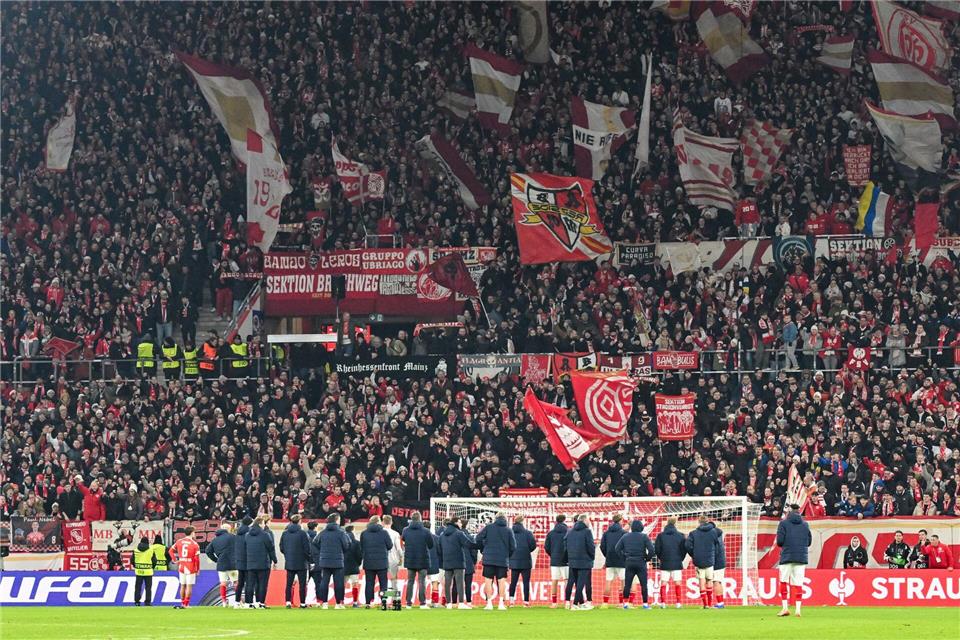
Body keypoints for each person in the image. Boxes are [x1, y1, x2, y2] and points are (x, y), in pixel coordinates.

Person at [776, 503, 812, 617]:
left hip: (787, 556)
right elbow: (809, 542)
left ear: (789, 511)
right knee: (798, 583)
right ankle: (798, 610)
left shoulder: (783, 523)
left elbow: (780, 541)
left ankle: (785, 608)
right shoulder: (805, 524)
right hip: (801, 557)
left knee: (783, 581)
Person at [476, 511, 516, 610]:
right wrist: (507, 555)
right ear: (505, 519)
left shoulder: (488, 527)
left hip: (489, 558)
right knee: (502, 580)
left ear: (496, 518)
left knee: (488, 580)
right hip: (502, 559)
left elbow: (478, 538)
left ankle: (489, 603)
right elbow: (513, 546)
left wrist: (484, 548)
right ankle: (501, 603)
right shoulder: (508, 530)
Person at [312, 513, 351, 609]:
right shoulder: (341, 533)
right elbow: (347, 545)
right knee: (338, 583)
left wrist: (322, 551)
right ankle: (338, 603)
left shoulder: (322, 532)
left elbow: (315, 542)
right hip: (337, 561)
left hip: (325, 560)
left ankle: (324, 603)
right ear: (337, 520)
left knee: (324, 582)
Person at [615, 520, 655, 609]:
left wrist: (624, 558)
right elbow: (652, 550)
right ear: (641, 527)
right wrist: (647, 559)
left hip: (629, 562)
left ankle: (625, 604)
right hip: (641, 562)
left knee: (627, 584)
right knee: (643, 584)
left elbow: (617, 548)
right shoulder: (644, 537)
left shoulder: (625, 536)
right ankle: (645, 604)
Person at [685, 515, 720, 609]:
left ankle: (705, 605)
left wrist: (693, 554)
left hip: (698, 561)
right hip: (710, 560)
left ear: (699, 522)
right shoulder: (713, 532)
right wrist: (713, 556)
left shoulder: (693, 533)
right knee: (709, 580)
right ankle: (710, 603)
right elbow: (717, 545)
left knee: (701, 580)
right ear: (707, 521)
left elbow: (687, 545)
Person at [401, 512, 434, 609]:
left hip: (410, 559)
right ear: (420, 519)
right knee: (421, 581)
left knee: (410, 581)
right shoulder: (426, 531)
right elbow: (431, 545)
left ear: (411, 519)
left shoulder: (405, 530)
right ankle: (422, 603)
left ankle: (408, 603)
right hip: (423, 559)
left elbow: (403, 541)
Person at [438, 517, 473, 609]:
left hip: (447, 561)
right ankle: (461, 603)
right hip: (458, 561)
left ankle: (449, 603)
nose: (461, 524)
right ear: (456, 523)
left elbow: (439, 548)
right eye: (460, 522)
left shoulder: (442, 535)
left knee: (448, 583)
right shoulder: (459, 533)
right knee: (459, 582)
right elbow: (468, 544)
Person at [360, 515, 393, 608]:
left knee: (369, 583)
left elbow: (361, 547)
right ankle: (383, 601)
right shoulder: (384, 533)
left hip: (368, 562)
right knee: (383, 583)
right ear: (378, 522)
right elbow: (390, 545)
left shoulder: (364, 533)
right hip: (382, 562)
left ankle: (368, 602)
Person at [280, 514, 312, 608]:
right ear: (299, 521)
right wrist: (309, 559)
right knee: (302, 584)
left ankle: (288, 602)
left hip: (289, 562)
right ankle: (302, 603)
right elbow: (307, 548)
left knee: (289, 584)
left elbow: (281, 547)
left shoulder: (285, 533)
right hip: (301, 562)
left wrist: (287, 555)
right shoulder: (303, 533)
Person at [244, 516, 277, 608]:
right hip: (263, 563)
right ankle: (260, 603)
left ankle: (248, 603)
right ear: (259, 524)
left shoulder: (247, 535)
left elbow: (245, 548)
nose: (264, 525)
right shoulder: (265, 535)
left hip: (250, 563)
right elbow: (271, 548)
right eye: (263, 523)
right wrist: (275, 560)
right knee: (262, 584)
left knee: (250, 584)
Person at [565, 514, 595, 610]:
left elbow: (565, 545)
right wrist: (591, 557)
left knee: (575, 582)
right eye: (588, 520)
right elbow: (591, 546)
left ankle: (579, 603)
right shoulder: (587, 532)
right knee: (581, 583)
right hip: (584, 561)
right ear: (584, 521)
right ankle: (574, 604)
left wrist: (568, 557)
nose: (589, 522)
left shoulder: (570, 531)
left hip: (572, 561)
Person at [654, 516, 686, 608]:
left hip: (665, 562)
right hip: (677, 562)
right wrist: (680, 558)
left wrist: (661, 558)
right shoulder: (680, 535)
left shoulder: (660, 536)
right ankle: (678, 603)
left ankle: (663, 603)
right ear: (675, 524)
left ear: (667, 524)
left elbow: (657, 549)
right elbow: (684, 550)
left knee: (663, 583)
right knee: (678, 583)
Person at [206, 521, 237, 607]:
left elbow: (208, 551)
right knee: (235, 582)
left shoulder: (215, 540)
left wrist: (216, 559)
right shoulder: (233, 537)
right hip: (233, 564)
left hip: (221, 564)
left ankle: (223, 601)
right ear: (228, 529)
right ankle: (238, 601)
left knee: (223, 583)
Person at [508, 515, 536, 607]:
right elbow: (533, 545)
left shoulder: (510, 532)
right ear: (522, 522)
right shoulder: (528, 533)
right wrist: (527, 550)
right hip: (525, 560)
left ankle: (511, 602)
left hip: (513, 560)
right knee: (526, 582)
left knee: (513, 581)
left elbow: (508, 545)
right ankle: (526, 602)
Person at [599, 514, 626, 608]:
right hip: (621, 560)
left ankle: (605, 603)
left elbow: (602, 546)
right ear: (620, 521)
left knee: (608, 581)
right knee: (623, 581)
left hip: (610, 560)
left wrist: (607, 555)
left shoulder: (606, 533)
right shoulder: (623, 533)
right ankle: (622, 603)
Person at [169, 526, 201, 609]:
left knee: (183, 585)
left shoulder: (179, 541)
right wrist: (197, 569)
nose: (195, 534)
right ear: (191, 533)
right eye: (194, 532)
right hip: (190, 566)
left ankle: (182, 603)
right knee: (189, 586)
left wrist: (175, 560)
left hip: (181, 565)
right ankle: (186, 604)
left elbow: (170, 550)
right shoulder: (194, 544)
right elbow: (197, 559)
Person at [544, 514, 568, 608]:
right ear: (564, 520)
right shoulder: (568, 532)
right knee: (567, 581)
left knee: (554, 580)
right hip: (566, 560)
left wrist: (552, 554)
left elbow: (547, 547)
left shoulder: (551, 533)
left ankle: (554, 603)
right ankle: (567, 602)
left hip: (554, 560)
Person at [381, 515, 403, 604]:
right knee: (394, 579)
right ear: (391, 522)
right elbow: (398, 548)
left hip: (382, 559)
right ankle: (395, 600)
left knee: (383, 580)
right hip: (393, 560)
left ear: (383, 522)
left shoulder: (380, 532)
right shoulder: (395, 534)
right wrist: (401, 557)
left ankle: (384, 600)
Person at [133, 535, 156, 606]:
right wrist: (152, 567)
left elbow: (132, 560)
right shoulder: (151, 549)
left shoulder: (136, 550)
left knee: (138, 587)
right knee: (148, 588)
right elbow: (154, 560)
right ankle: (147, 602)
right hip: (148, 571)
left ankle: (137, 602)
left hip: (139, 571)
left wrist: (136, 566)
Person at [343, 524, 363, 607]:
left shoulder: (342, 541)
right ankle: (355, 602)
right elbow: (359, 555)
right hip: (354, 566)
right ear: (352, 531)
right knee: (355, 584)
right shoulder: (356, 543)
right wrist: (358, 564)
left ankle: (340, 602)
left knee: (342, 585)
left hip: (343, 566)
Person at [234, 516, 251, 608]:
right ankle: (248, 602)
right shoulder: (249, 533)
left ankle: (237, 602)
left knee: (240, 583)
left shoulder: (237, 533)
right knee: (249, 583)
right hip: (248, 560)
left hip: (239, 560)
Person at [711, 523, 727, 609]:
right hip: (721, 562)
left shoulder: (713, 537)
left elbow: (714, 551)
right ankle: (720, 602)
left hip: (716, 562)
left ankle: (720, 603)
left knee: (716, 582)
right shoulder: (719, 535)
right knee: (718, 582)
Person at [426, 525, 442, 608]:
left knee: (422, 583)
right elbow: (440, 551)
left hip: (423, 563)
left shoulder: (420, 538)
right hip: (434, 562)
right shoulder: (436, 538)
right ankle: (435, 602)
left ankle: (423, 602)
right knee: (435, 582)